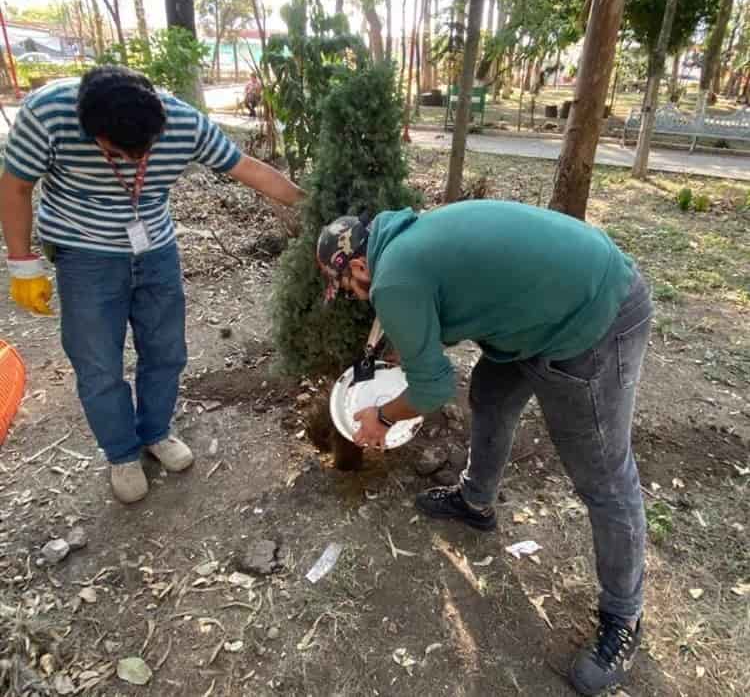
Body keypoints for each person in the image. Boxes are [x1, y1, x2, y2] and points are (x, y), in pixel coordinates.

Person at [316, 201, 653, 697]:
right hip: (556, 301)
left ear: (361, 266)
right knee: (491, 395)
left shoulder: (393, 281)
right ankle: (476, 501)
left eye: (348, 290)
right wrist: (409, 340)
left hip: (594, 316)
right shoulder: (405, 240)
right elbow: (443, 298)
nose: (357, 300)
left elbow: (432, 392)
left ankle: (625, 618)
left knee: (605, 479)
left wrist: (383, 417)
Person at [1, 65, 303, 504]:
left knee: (166, 351)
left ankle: (156, 432)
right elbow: (15, 188)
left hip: (155, 249)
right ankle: (122, 454)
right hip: (83, 253)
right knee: (99, 363)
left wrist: (314, 205)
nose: (136, 160)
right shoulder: (48, 113)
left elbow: (248, 169)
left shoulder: (183, 122)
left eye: (145, 150)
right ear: (90, 128)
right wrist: (23, 263)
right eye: (119, 152)